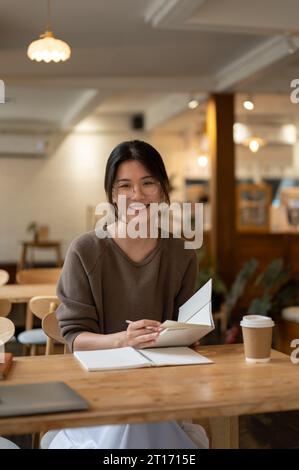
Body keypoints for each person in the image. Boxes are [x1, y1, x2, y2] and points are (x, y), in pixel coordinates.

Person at [43, 140, 209, 449]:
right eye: (125, 186)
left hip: (162, 389)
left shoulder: (181, 252)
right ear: (112, 194)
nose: (137, 195)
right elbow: (74, 336)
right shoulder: (86, 249)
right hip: (96, 391)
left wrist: (187, 334)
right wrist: (125, 339)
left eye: (148, 183)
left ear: (162, 189)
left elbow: (187, 327)